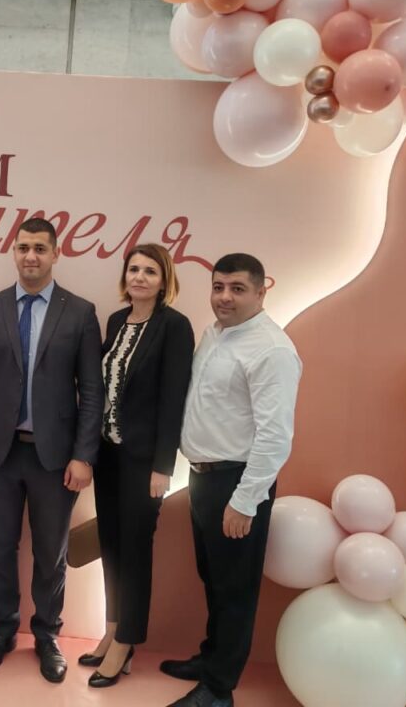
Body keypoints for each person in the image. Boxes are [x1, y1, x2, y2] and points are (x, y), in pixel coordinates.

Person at [0, 217, 104, 684]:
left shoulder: (80, 312)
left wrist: (84, 455)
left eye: (40, 248)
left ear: (56, 253)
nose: (31, 256)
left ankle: (46, 634)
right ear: (14, 251)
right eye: (23, 247)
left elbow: (92, 391)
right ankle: (3, 629)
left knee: (50, 552)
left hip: (56, 458)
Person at [161, 253, 302, 707]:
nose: (225, 297)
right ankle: (211, 659)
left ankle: (219, 690)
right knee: (214, 578)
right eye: (218, 286)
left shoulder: (272, 350)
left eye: (238, 289)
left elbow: (275, 437)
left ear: (261, 292)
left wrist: (245, 501)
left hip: (238, 483)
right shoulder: (216, 333)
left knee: (235, 588)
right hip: (204, 479)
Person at [82, 244, 194, 688]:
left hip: (144, 462)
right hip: (108, 456)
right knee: (110, 545)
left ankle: (127, 641)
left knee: (134, 550)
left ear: (164, 280)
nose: (140, 277)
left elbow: (173, 400)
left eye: (150, 271)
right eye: (134, 269)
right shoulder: (116, 321)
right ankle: (111, 629)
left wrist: (163, 466)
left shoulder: (174, 326)